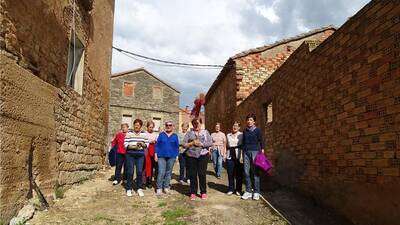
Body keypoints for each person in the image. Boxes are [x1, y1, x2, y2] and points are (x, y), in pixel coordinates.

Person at [184, 118, 212, 200]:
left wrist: (201, 144)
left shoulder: (205, 132)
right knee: (192, 174)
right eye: (194, 124)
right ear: (192, 125)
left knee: (202, 174)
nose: (196, 125)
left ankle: (203, 192)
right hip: (191, 156)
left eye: (197, 123)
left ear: (201, 123)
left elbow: (210, 142)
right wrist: (192, 143)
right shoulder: (189, 133)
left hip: (203, 155)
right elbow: (184, 144)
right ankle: (193, 192)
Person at [241, 113, 264, 201]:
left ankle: (257, 192)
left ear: (254, 121)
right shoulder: (245, 131)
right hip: (246, 152)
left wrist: (262, 151)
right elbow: (243, 143)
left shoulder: (257, 130)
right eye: (248, 120)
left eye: (251, 120)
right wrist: (242, 155)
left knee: (255, 172)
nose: (249, 121)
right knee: (246, 172)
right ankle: (248, 191)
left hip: (255, 152)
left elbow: (261, 141)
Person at [124, 119, 149, 197]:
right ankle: (129, 188)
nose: (136, 126)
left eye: (138, 125)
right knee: (130, 172)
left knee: (139, 172)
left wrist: (142, 144)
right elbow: (125, 144)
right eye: (135, 125)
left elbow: (147, 145)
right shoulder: (129, 133)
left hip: (140, 155)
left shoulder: (144, 134)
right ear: (133, 125)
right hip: (130, 154)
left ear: (140, 126)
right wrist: (133, 147)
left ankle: (139, 188)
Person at [155, 121, 179, 195]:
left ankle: (166, 187)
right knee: (161, 172)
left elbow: (176, 146)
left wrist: (177, 156)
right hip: (161, 156)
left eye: (170, 125)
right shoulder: (161, 135)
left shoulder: (175, 136)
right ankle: (159, 188)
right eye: (167, 125)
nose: (168, 126)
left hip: (171, 156)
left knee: (168, 172)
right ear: (165, 126)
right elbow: (157, 145)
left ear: (172, 126)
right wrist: (155, 154)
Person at [226, 122, 243, 196]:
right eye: (234, 125)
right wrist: (224, 154)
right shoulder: (228, 135)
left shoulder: (241, 135)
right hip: (230, 155)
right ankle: (231, 189)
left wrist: (242, 156)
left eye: (236, 126)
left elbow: (243, 145)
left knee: (239, 173)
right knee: (230, 173)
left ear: (239, 127)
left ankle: (238, 189)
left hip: (238, 155)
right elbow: (226, 145)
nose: (235, 127)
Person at [144, 121, 158, 189]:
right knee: (146, 166)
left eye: (152, 127)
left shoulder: (155, 134)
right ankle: (146, 181)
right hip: (146, 151)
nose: (151, 128)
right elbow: (143, 141)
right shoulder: (144, 134)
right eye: (150, 127)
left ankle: (151, 181)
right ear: (147, 127)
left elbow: (157, 142)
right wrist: (150, 141)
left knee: (152, 166)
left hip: (153, 151)